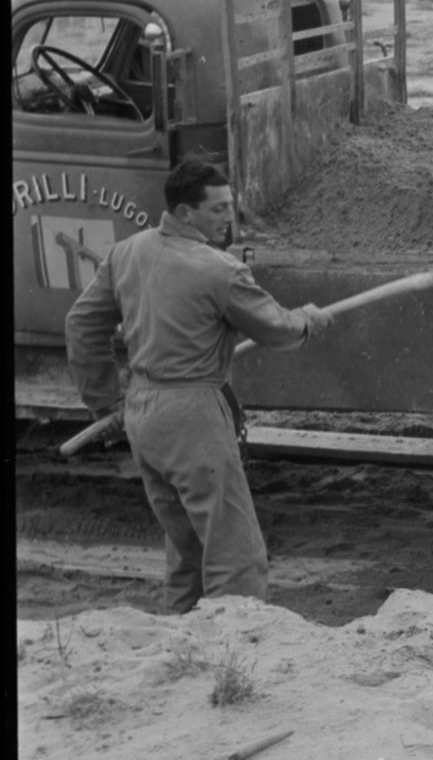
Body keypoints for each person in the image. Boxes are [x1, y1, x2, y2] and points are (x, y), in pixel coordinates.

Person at [64, 158, 335, 613]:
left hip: (142, 413)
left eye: (230, 204)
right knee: (234, 552)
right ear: (185, 213)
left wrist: (104, 402)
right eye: (218, 208)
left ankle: (181, 635)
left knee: (186, 548)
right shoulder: (219, 269)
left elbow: (80, 324)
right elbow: (277, 330)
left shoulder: (126, 252)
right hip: (193, 415)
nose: (229, 216)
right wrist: (307, 320)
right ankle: (233, 646)